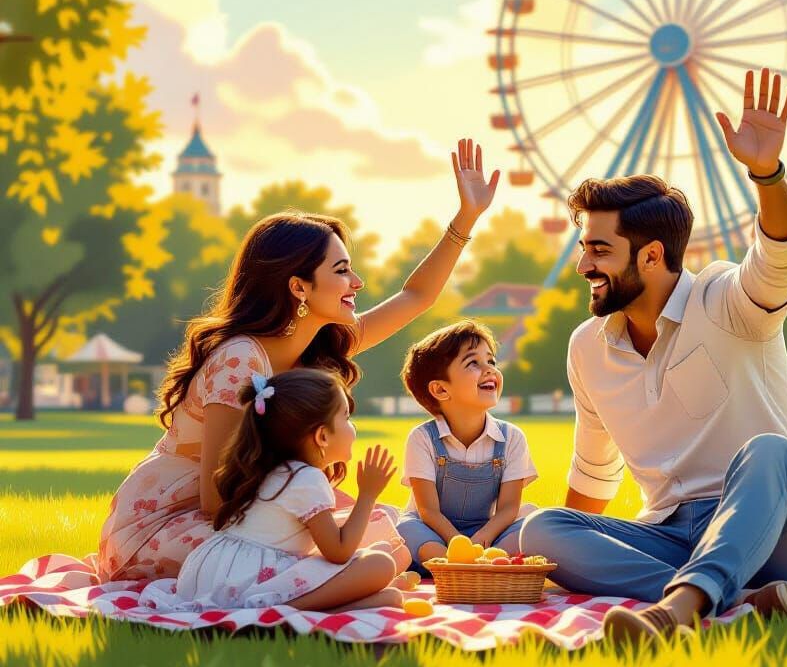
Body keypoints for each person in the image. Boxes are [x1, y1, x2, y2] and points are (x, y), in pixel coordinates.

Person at [519, 69, 787, 647]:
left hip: (781, 531)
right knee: (539, 529)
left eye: (598, 249)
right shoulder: (587, 348)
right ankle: (731, 601)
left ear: (652, 255)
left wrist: (766, 172)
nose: (583, 265)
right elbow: (593, 475)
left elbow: (782, 256)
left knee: (771, 452)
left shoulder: (728, 302)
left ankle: (675, 611)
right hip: (675, 535)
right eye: (582, 247)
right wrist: (558, 554)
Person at [97, 138, 499, 581]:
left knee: (386, 532)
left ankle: (341, 580)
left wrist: (466, 219)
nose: (358, 281)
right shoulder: (239, 361)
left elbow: (416, 296)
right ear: (298, 287)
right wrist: (305, 510)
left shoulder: (319, 350)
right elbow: (216, 500)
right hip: (170, 526)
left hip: (251, 515)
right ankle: (334, 584)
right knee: (351, 549)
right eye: (342, 270)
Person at [141, 369, 404, 612]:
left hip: (212, 573)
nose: (352, 426)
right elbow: (338, 551)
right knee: (381, 564)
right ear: (322, 436)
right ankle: (289, 610)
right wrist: (368, 494)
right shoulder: (306, 478)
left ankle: (340, 604)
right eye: (346, 417)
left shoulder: (269, 469)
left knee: (382, 551)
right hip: (248, 582)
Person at [396, 321, 537, 574]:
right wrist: (457, 543)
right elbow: (427, 510)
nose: (489, 370)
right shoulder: (422, 438)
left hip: (487, 531)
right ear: (440, 389)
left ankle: (457, 565)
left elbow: (508, 508)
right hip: (435, 531)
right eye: (474, 363)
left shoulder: (512, 437)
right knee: (405, 529)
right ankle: (469, 564)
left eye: (491, 361)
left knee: (534, 523)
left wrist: (482, 538)